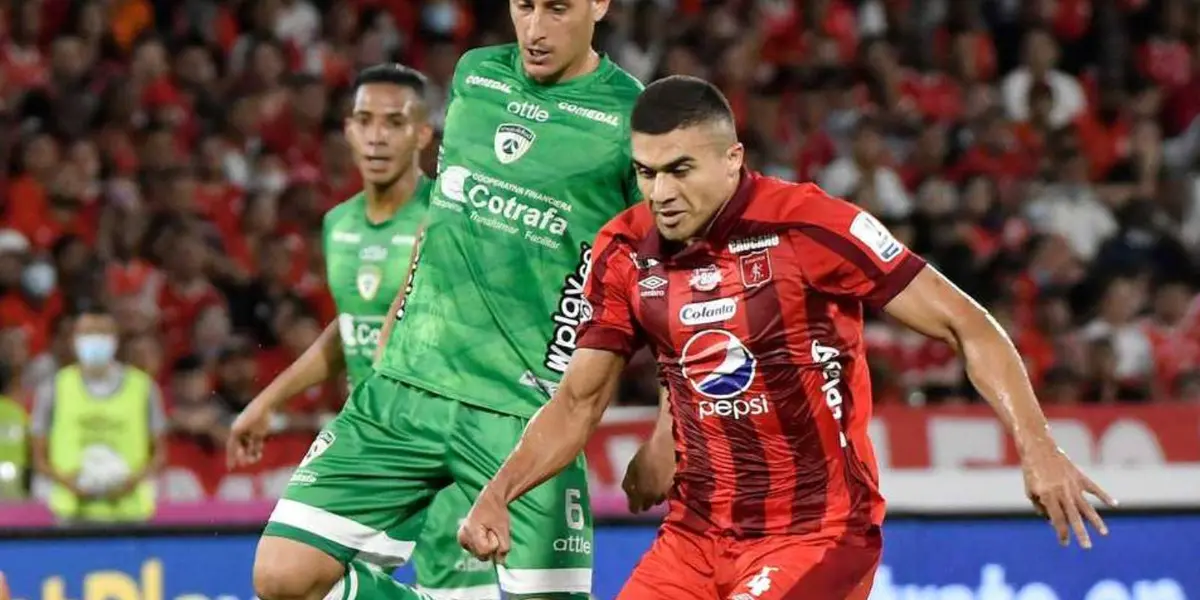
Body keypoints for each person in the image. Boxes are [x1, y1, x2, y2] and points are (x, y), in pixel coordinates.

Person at [458, 76, 1117, 599]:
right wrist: (498, 492)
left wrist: (1038, 447)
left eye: (681, 169)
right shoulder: (625, 249)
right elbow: (580, 400)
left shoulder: (809, 228)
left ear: (732, 159)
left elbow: (966, 323)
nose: (661, 192)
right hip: (693, 537)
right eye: (647, 172)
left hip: (817, 533)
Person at [232, 1, 647, 598]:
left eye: (556, 8)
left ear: (600, 4)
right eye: (524, 6)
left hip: (523, 412)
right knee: (283, 577)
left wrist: (666, 432)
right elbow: (442, 219)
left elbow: (662, 273)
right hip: (405, 389)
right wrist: (397, 330)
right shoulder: (476, 75)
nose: (535, 27)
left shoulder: (630, 116)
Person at [227, 63, 503, 599]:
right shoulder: (340, 224)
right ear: (347, 131)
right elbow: (350, 326)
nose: (377, 135)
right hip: (372, 441)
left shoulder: (452, 220)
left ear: (424, 134)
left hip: (439, 447)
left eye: (394, 122)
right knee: (304, 582)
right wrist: (269, 399)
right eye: (363, 120)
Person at [29, 302, 167, 523]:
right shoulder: (53, 388)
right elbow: (38, 456)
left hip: (130, 514)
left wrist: (131, 482)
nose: (95, 339)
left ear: (116, 339)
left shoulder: (143, 388)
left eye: (102, 333)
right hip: (71, 515)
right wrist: (66, 481)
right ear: (73, 339)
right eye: (87, 333)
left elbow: (160, 454)